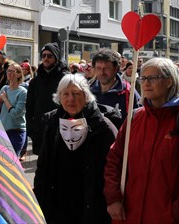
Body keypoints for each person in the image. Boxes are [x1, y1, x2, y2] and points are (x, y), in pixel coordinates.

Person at [104, 58, 179, 223]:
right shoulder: (134, 118)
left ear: (169, 81)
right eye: (143, 78)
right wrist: (113, 198)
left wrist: (177, 215)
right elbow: (114, 160)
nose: (146, 83)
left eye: (153, 78)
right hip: (128, 215)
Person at [34, 74, 116, 223]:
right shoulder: (53, 123)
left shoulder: (103, 126)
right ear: (59, 97)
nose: (70, 99)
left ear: (86, 96)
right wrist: (38, 196)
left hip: (92, 205)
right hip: (58, 205)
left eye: (76, 93)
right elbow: (43, 165)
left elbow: (114, 168)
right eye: (65, 94)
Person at [26, 42, 68, 154]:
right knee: (42, 167)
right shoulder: (35, 81)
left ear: (56, 58)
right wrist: (30, 129)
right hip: (40, 131)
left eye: (49, 56)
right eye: (43, 55)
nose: (46, 58)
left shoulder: (65, 79)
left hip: (60, 130)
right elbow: (29, 107)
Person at [90, 49, 140, 123]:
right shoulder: (87, 92)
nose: (102, 72)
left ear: (116, 69)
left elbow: (139, 119)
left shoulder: (128, 92)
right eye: (98, 68)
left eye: (106, 68)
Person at [0, 63, 27, 157]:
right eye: (8, 71)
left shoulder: (23, 92)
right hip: (3, 130)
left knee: (12, 162)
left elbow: (15, 114)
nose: (9, 73)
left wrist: (5, 100)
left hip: (16, 132)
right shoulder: (4, 88)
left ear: (19, 74)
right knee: (1, 160)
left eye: (12, 71)